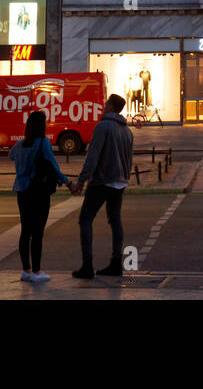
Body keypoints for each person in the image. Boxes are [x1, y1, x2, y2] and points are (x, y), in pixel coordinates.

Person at [69, 94, 134, 279]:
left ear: (111, 107)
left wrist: (82, 180)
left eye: (106, 104)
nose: (103, 106)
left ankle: (87, 265)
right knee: (115, 221)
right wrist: (125, 177)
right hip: (119, 182)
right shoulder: (127, 131)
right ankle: (116, 264)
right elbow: (129, 159)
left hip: (102, 180)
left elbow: (93, 156)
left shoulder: (103, 126)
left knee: (86, 219)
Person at [8, 109, 67, 282]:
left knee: (25, 230)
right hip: (39, 192)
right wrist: (67, 182)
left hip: (22, 191)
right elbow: (53, 166)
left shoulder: (19, 145)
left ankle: (25, 270)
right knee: (38, 232)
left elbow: (11, 156)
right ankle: (37, 271)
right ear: (42, 125)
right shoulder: (43, 143)